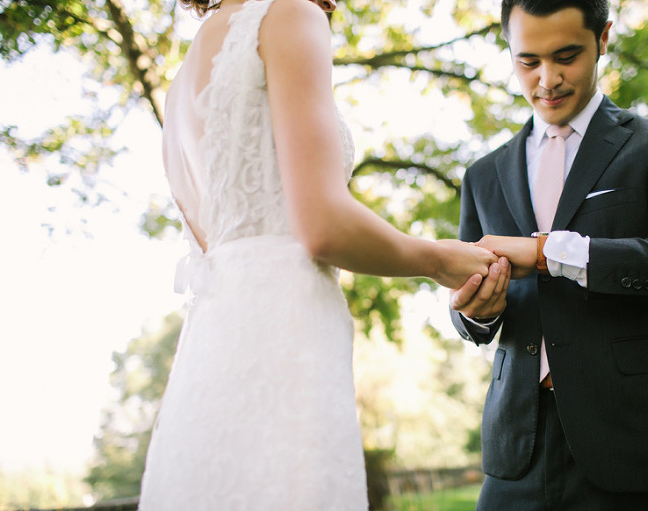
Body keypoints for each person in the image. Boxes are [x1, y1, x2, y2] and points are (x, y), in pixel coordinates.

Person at [137, 0, 496, 508]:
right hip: (284, 335)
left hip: (209, 352)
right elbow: (322, 225)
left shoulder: (182, 78)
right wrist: (438, 259)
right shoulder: (289, 16)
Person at [448, 1, 648, 510]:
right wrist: (476, 312)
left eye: (567, 56)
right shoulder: (483, 174)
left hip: (639, 441)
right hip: (517, 452)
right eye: (528, 61)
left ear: (603, 37)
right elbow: (470, 308)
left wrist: (550, 253)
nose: (548, 79)